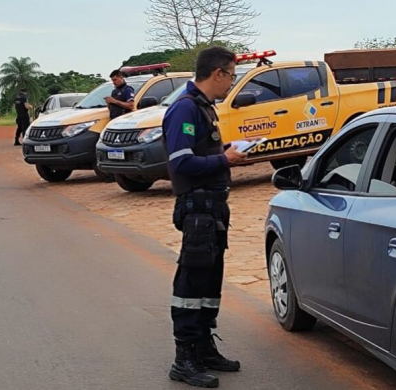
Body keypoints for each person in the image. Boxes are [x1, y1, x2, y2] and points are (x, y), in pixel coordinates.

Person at [162, 46, 248, 388]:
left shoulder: (203, 107)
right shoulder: (185, 109)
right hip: (197, 209)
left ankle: (204, 346)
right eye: (231, 76)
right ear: (218, 74)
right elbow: (181, 163)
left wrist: (227, 156)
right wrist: (225, 160)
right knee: (191, 284)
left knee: (210, 282)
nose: (232, 83)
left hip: (212, 209)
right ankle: (183, 358)